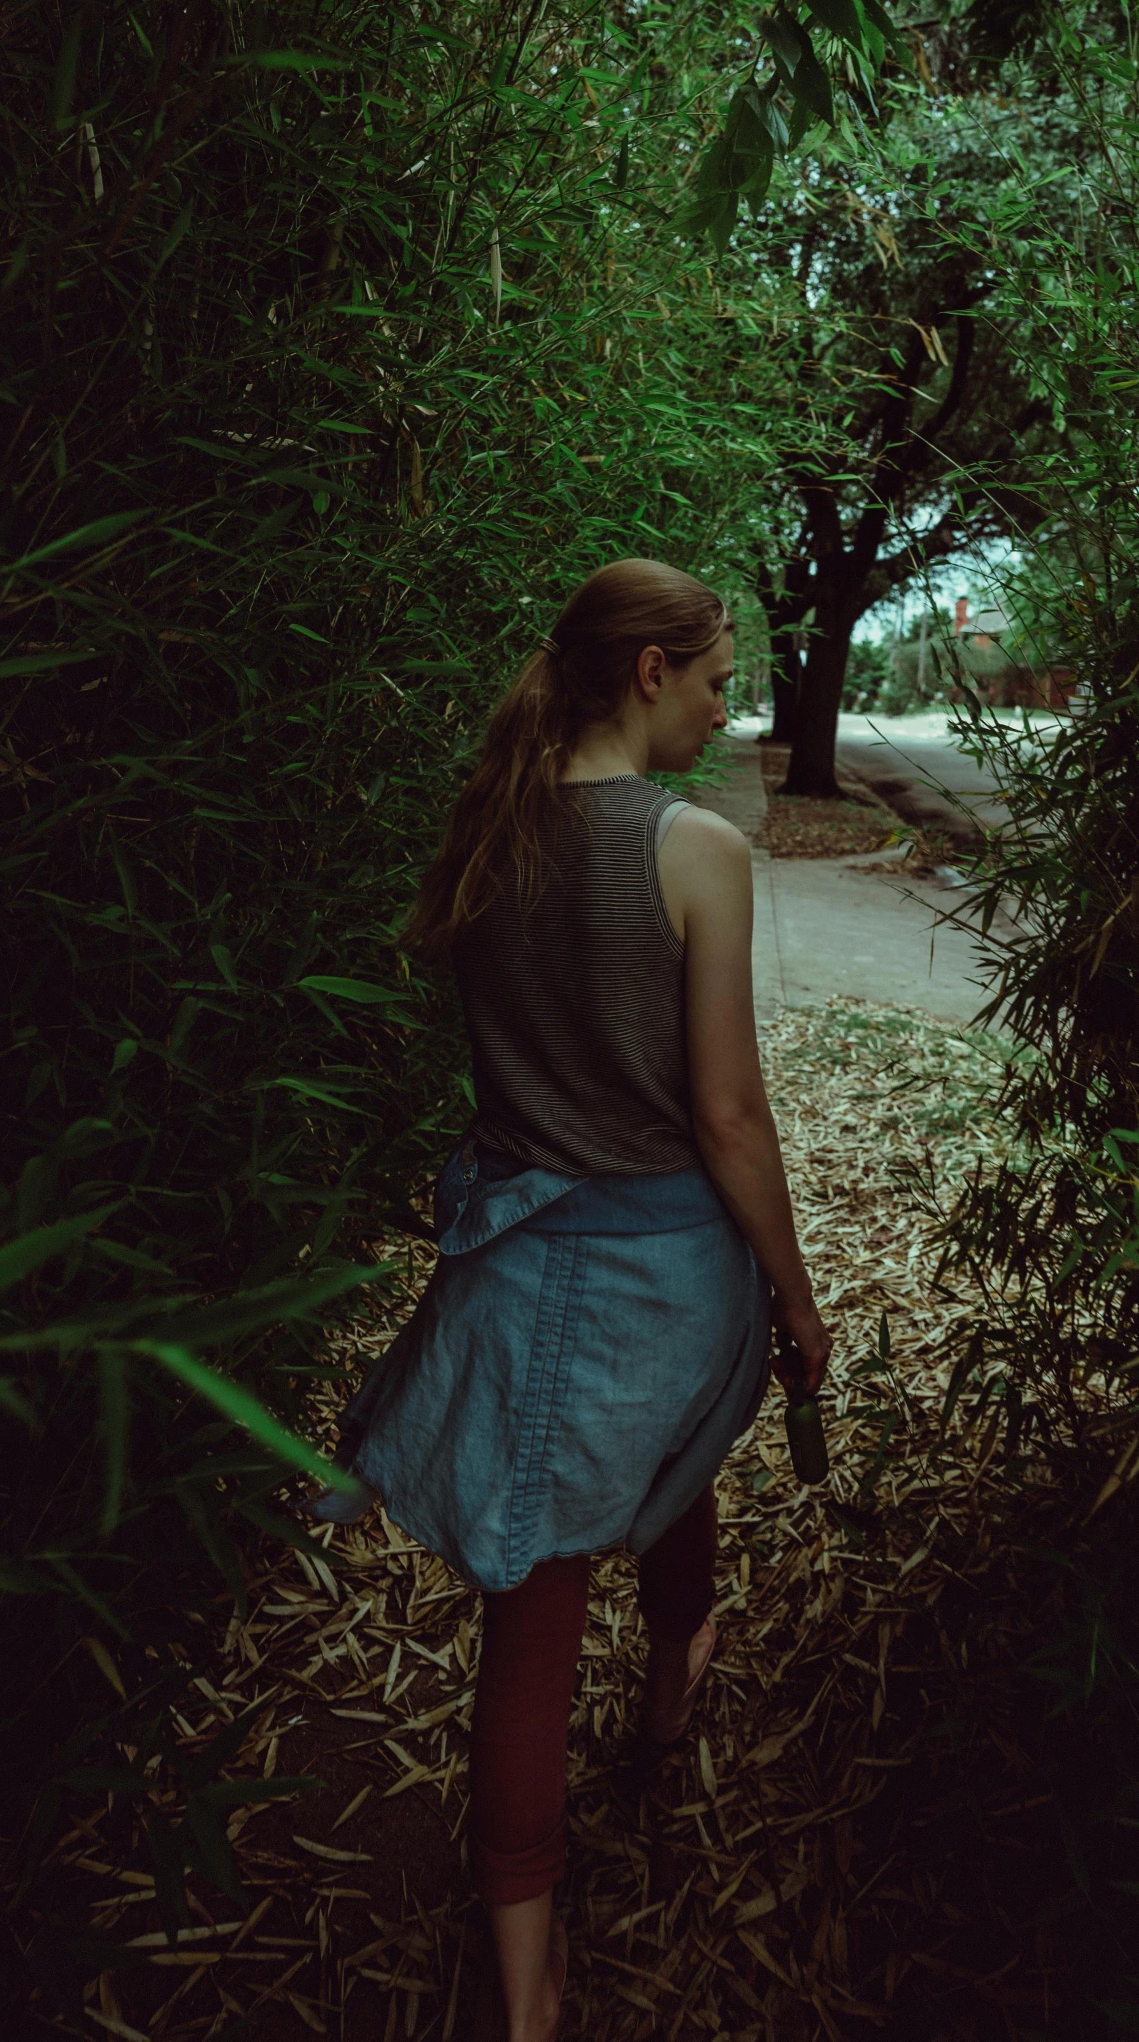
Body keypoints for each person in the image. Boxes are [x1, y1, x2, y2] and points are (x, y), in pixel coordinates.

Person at [309, 558, 833, 2042]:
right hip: (650, 1267)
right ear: (650, 672)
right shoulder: (694, 850)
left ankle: (670, 1672)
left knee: (585, 1549)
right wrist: (793, 1296)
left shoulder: (490, 821)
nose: (730, 710)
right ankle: (528, 1981)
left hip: (517, 1251)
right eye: (720, 679)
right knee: (617, 1528)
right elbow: (728, 1116)